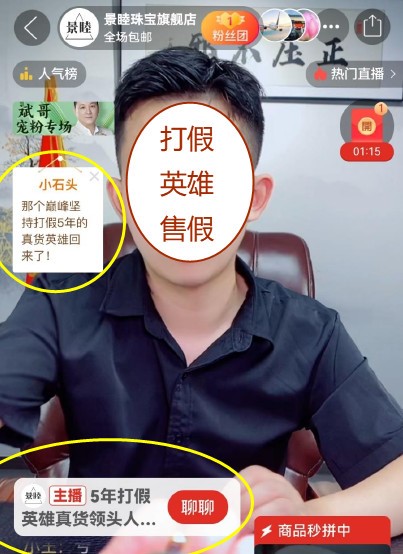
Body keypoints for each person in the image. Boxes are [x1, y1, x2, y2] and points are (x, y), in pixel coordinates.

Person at [0, 48, 403, 542]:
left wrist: (297, 522)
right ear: (122, 199)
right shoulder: (59, 302)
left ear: (253, 198)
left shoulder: (311, 332)